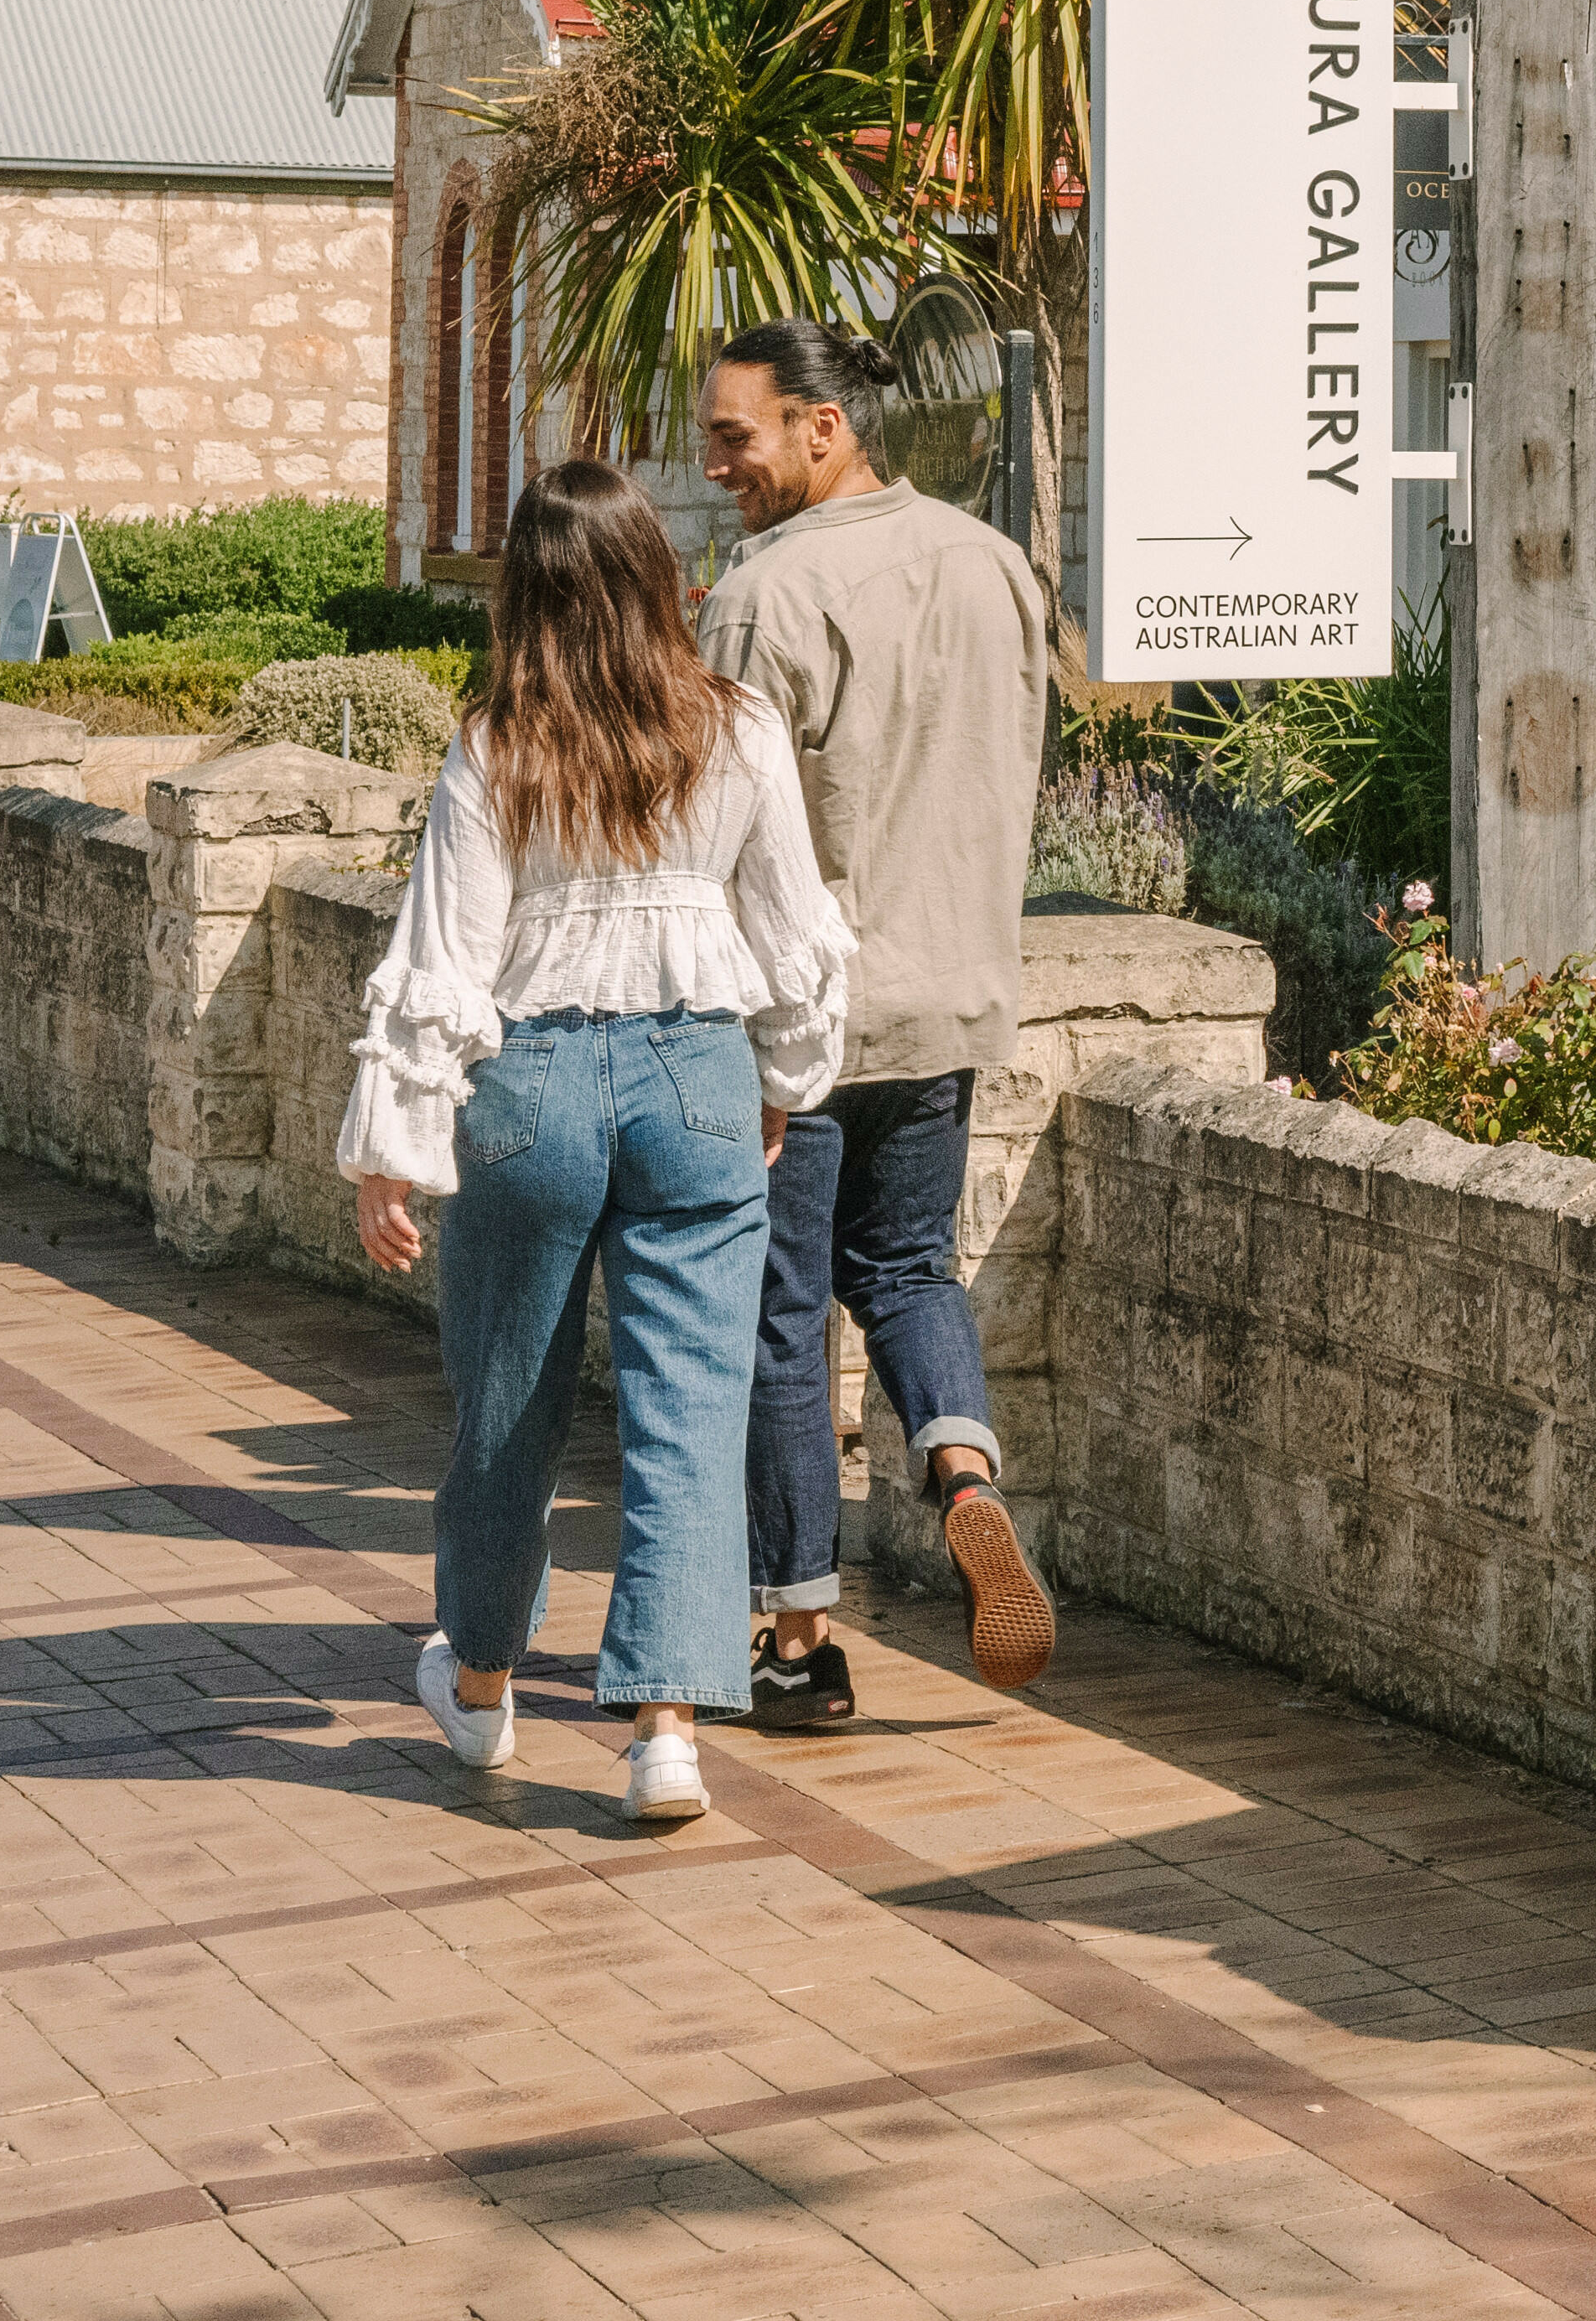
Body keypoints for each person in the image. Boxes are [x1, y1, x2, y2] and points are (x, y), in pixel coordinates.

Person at [342, 460, 850, 1824]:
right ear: (651, 577)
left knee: (508, 1408)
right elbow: (797, 936)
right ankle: (665, 1732)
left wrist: (391, 1142)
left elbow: (444, 959)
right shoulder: (736, 727)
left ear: (525, 591)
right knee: (687, 1415)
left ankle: (487, 1690)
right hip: (698, 1073)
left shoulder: (497, 737)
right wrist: (785, 1080)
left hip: (534, 1080)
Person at [696, 319, 1060, 1719]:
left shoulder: (763, 596)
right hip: (948, 993)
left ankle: (799, 1645)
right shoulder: (995, 563)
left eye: (737, 434)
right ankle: (961, 1468)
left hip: (799, 1016)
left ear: (823, 424)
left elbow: (718, 830)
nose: (714, 461)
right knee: (910, 1268)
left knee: (784, 1323)